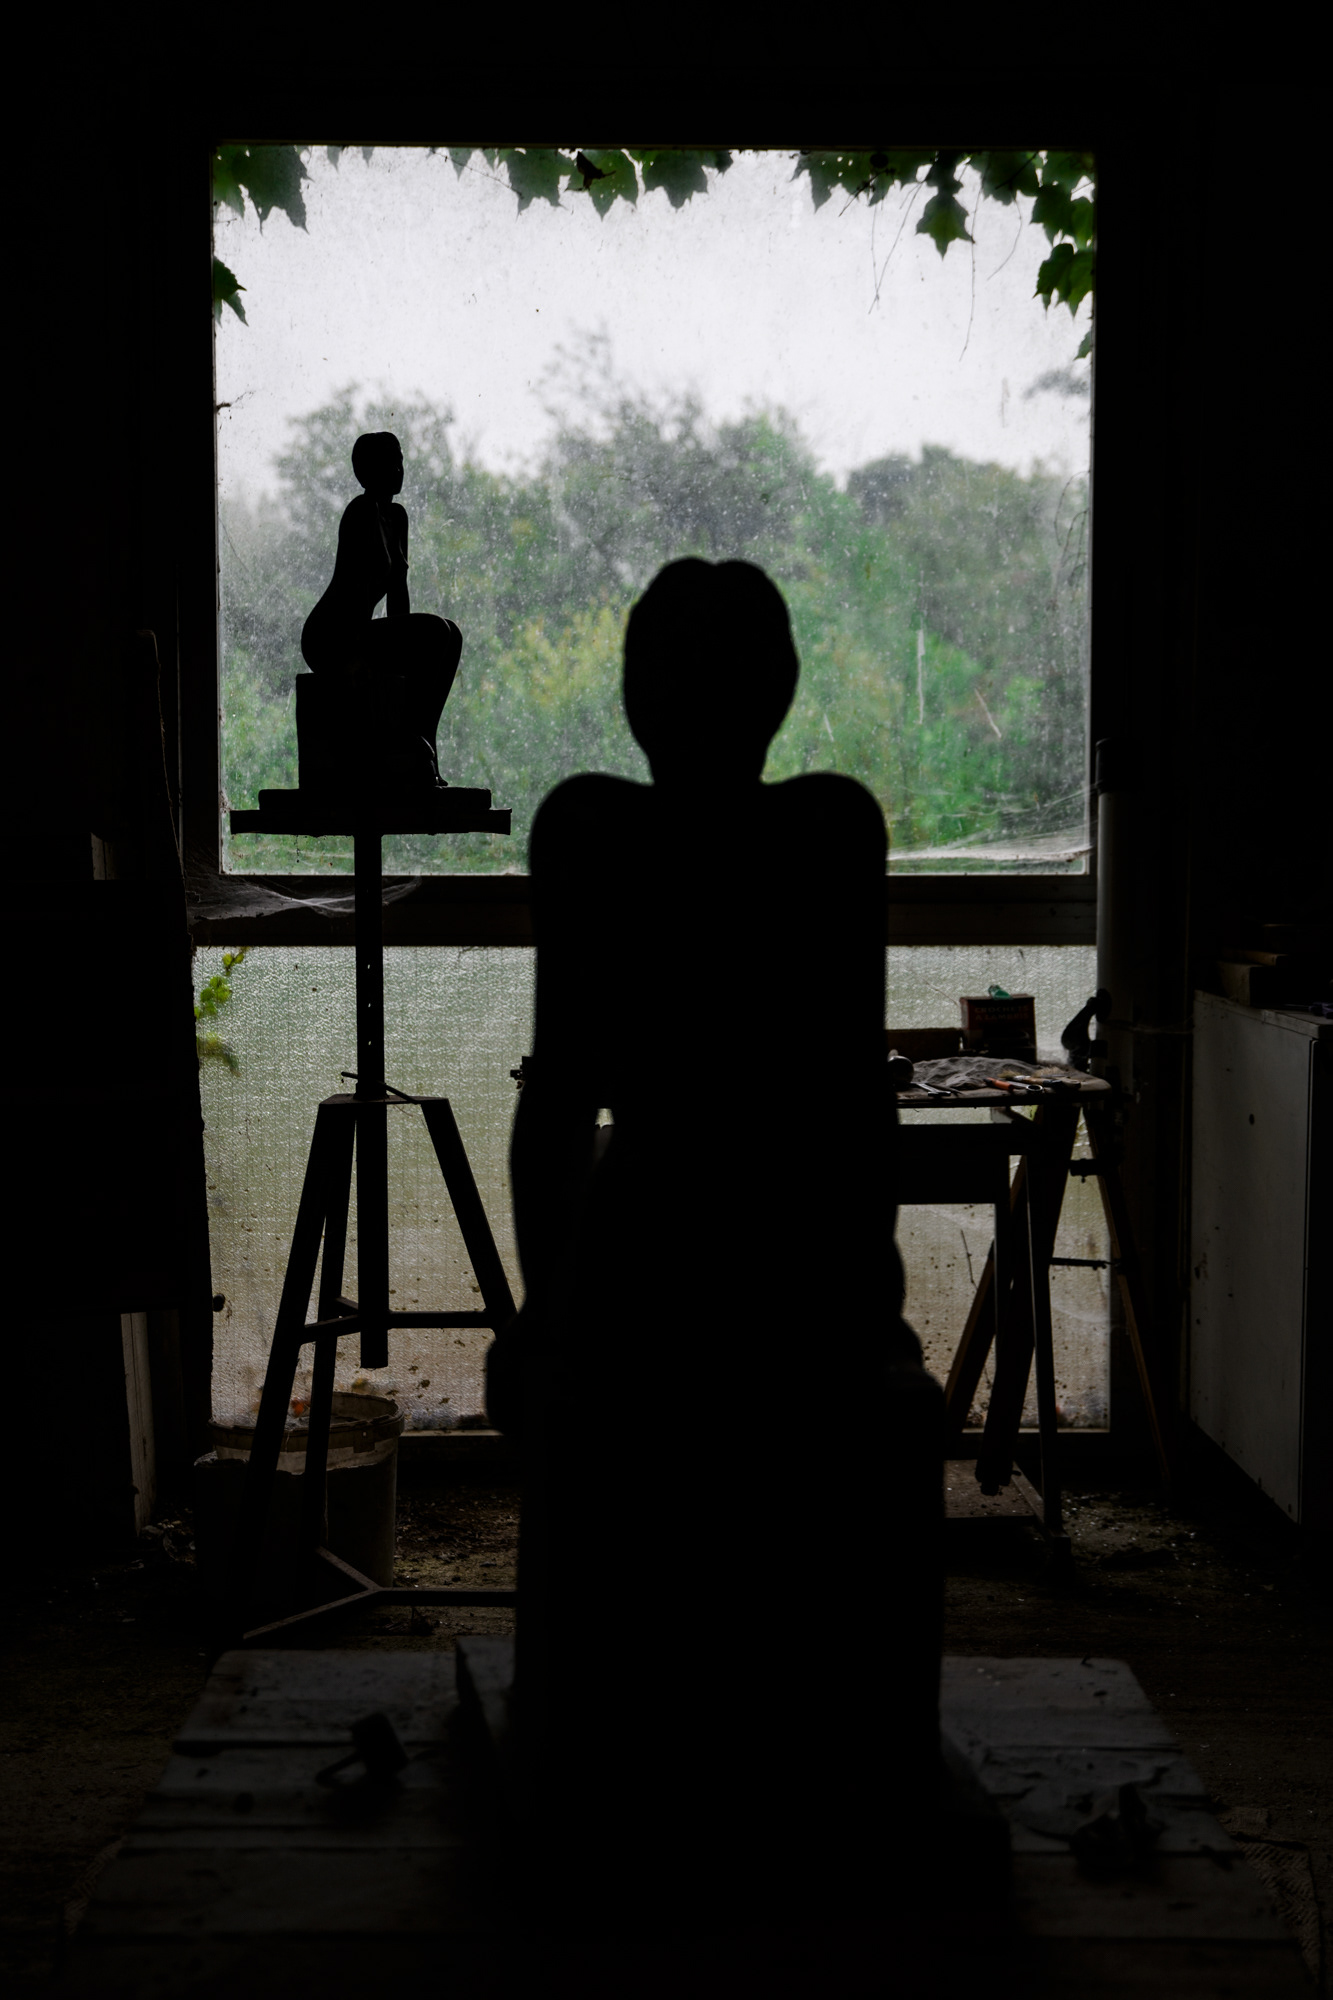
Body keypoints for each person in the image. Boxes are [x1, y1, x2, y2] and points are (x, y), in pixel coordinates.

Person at [488, 557, 943, 1952]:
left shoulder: (589, 832)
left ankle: (607, 1739)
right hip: (795, 1262)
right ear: (781, 693)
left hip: (648, 1257)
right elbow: (855, 1107)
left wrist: (542, 1317)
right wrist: (869, 1297)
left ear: (636, 698)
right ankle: (820, 1741)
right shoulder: (831, 832)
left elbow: (558, 1107)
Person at [300, 430, 460, 788]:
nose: (400, 469)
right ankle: (406, 740)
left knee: (451, 634)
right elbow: (354, 591)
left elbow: (398, 594)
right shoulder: (360, 512)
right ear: (369, 471)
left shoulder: (397, 517)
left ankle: (423, 741)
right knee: (436, 631)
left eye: (401, 461)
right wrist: (357, 653)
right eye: (391, 463)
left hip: (360, 630)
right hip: (332, 635)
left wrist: (404, 649)